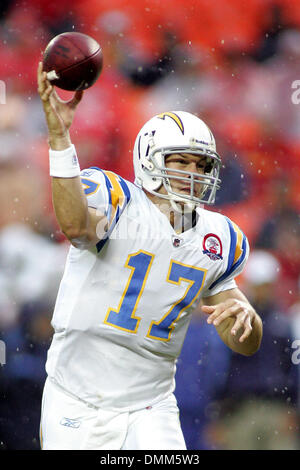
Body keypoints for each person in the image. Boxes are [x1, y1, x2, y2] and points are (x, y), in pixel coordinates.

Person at [37, 62, 263, 450]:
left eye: (202, 164)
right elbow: (75, 227)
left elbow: (244, 340)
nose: (194, 173)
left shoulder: (219, 237)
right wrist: (60, 139)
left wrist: (247, 321)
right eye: (181, 161)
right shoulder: (117, 199)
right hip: (76, 394)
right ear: (150, 160)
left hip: (150, 404)